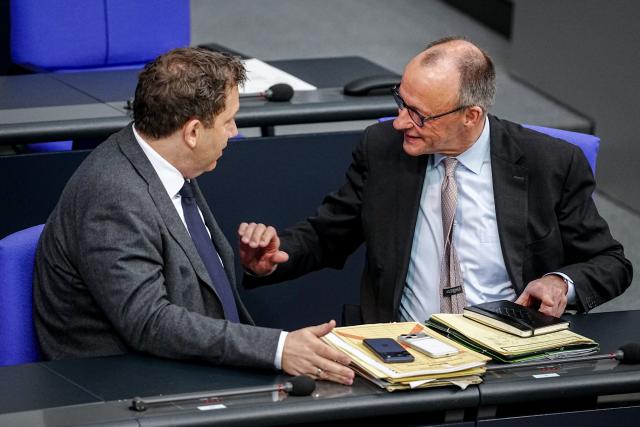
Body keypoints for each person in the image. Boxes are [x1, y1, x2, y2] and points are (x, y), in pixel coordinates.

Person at [238, 37, 632, 324]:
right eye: (401, 101)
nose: (399, 122)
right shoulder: (382, 149)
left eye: (419, 114)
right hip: (404, 344)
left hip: (507, 346)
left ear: (471, 116)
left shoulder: (550, 163)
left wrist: (560, 283)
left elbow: (611, 263)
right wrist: (276, 257)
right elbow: (328, 233)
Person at [33, 48, 354, 385]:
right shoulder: (113, 196)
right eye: (228, 121)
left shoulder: (167, 162)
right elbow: (149, 322)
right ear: (193, 132)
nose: (234, 132)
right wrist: (277, 348)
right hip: (128, 387)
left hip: (188, 366)